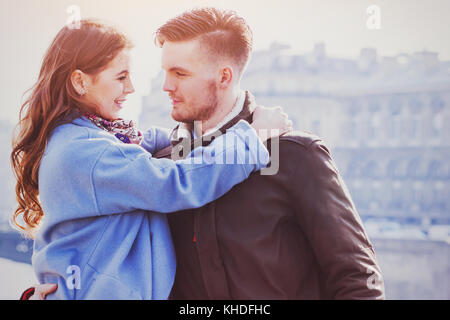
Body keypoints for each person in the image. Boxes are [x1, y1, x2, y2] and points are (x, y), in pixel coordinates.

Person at [28, 7, 385, 300]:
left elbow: (357, 278)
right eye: (164, 71)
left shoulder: (294, 154)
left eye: (179, 73)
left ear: (224, 77)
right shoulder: (164, 163)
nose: (164, 85)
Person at [12, 19, 292, 300]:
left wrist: (187, 138)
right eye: (121, 77)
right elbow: (177, 184)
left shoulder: (76, 140)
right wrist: (253, 137)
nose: (131, 87)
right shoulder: (88, 153)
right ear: (80, 81)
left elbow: (134, 150)